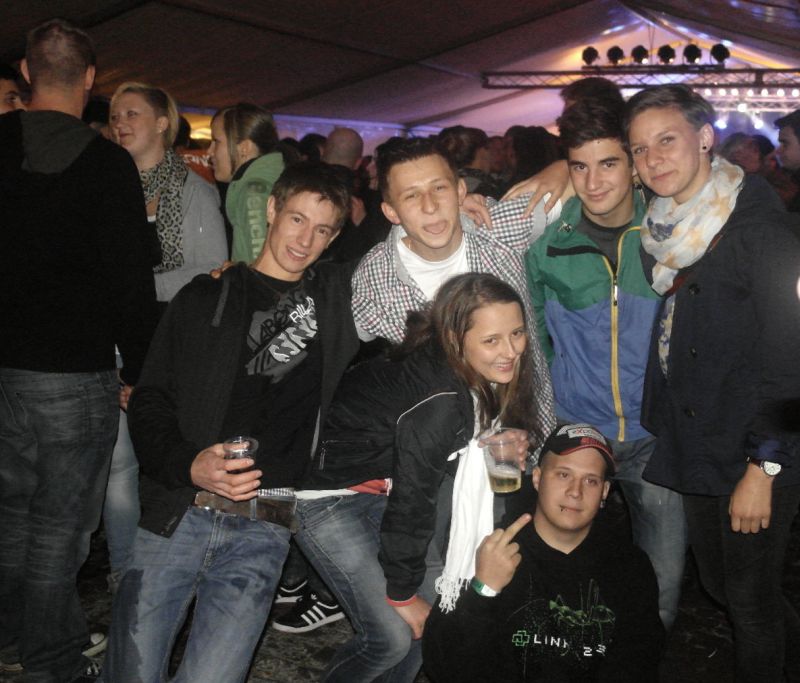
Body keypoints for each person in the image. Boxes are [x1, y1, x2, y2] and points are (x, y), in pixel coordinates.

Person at [102, 161, 359, 683]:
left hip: (264, 526)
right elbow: (151, 400)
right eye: (297, 219)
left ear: (334, 238)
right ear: (272, 210)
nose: (304, 240)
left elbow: (414, 259)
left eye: (322, 229)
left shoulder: (336, 301)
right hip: (180, 513)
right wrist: (188, 464)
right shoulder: (205, 296)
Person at [0, 18, 158, 682]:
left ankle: (13, 640)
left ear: (26, 72)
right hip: (73, 373)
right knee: (59, 530)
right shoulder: (107, 164)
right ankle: (52, 663)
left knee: (12, 517)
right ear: (91, 80)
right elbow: (131, 284)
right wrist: (142, 371)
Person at [626, 84, 800, 682]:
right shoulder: (664, 224)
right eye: (640, 149)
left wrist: (763, 468)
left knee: (748, 601)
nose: (653, 160)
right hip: (697, 434)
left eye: (666, 140)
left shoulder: (758, 228)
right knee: (723, 585)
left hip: (756, 444)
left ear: (704, 138)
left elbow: (791, 359)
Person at [295, 272, 539, 682]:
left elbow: (439, 457)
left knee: (434, 625)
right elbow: (415, 496)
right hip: (328, 500)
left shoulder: (471, 372)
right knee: (392, 638)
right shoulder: (440, 397)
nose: (511, 351)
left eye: (517, 333)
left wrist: (496, 441)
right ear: (455, 338)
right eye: (492, 340)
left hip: (381, 491)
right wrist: (402, 592)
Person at [525, 97, 686, 629]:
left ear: (634, 164)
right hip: (578, 431)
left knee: (660, 586)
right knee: (559, 582)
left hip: (654, 434)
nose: (593, 183)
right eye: (579, 166)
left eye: (608, 163)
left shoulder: (674, 232)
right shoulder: (548, 244)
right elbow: (537, 341)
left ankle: (641, 660)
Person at [423, 423, 664, 682]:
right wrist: (483, 590)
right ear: (537, 478)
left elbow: (639, 661)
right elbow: (442, 666)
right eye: (563, 475)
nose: (575, 492)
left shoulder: (628, 567)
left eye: (590, 481)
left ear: (604, 491)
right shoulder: (492, 550)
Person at [104, 81, 227, 589]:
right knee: (118, 466)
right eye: (115, 115)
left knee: (162, 460)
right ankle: (124, 575)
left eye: (132, 113)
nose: (120, 123)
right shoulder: (104, 187)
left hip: (169, 348)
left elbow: (211, 272)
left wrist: (134, 287)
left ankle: (168, 572)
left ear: (162, 123)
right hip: (113, 342)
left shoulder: (193, 190)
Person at [351, 136, 556, 434]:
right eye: (411, 196)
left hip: (527, 432)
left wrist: (559, 170)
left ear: (460, 190)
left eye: (439, 188)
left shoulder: (495, 227)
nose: (430, 206)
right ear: (391, 212)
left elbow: (591, 182)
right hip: (442, 447)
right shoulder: (374, 276)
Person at [207, 102, 285, 262]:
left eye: (216, 142)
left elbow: (259, 265)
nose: (210, 151)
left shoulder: (254, 192)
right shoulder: (271, 180)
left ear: (244, 148)